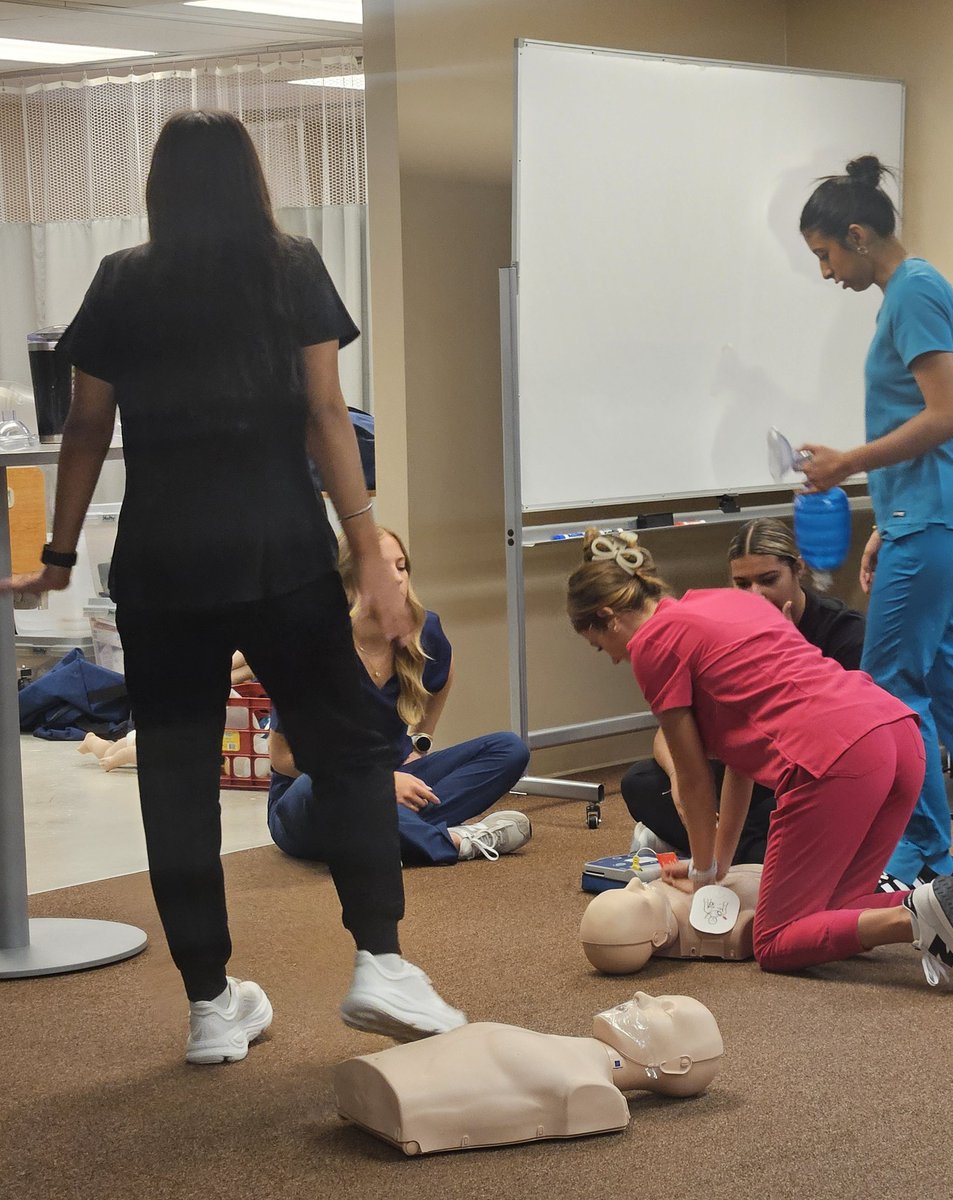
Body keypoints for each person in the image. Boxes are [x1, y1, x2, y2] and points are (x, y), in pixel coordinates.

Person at [0, 110, 465, 1064]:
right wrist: (367, 546)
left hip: (164, 566)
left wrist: (55, 555)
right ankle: (379, 958)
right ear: (252, 179)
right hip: (281, 554)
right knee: (344, 755)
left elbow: (87, 428)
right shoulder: (289, 264)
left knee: (174, 783)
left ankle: (211, 1004)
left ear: (160, 187)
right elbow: (326, 412)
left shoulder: (123, 279)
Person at [568, 530, 953, 994]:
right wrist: (714, 870)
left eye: (597, 644)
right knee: (842, 907)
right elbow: (739, 767)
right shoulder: (727, 601)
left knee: (775, 942)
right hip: (898, 734)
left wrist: (701, 872)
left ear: (608, 618)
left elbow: (692, 777)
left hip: (836, 757)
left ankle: (913, 917)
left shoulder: (652, 645)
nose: (611, 659)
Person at [795, 155, 953, 892]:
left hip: (937, 517)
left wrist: (848, 463)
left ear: (857, 234)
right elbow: (926, 424)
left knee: (888, 691)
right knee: (949, 687)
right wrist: (886, 515)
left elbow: (948, 416)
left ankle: (920, 858)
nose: (824, 272)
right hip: (936, 515)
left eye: (825, 254)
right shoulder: (910, 291)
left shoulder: (912, 292)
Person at [268, 527, 532, 866]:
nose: (397, 579)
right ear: (351, 580)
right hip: (314, 799)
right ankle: (455, 841)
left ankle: (394, 832)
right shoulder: (312, 646)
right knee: (317, 786)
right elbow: (282, 759)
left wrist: (422, 740)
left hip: (395, 784)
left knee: (509, 748)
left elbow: (444, 675)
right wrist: (375, 783)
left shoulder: (425, 630)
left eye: (402, 566)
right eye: (383, 569)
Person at [620, 517, 865, 860]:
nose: (755, 595)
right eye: (742, 583)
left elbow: (834, 745)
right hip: (744, 774)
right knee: (642, 782)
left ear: (799, 570)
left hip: (806, 777)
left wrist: (781, 650)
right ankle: (734, 852)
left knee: (780, 819)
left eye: (768, 580)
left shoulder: (844, 633)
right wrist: (682, 783)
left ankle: (717, 849)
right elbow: (671, 733)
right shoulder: (719, 628)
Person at [333, 992, 724, 1155]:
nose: (641, 996)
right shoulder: (569, 1060)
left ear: (678, 1064)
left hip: (408, 1099)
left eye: (665, 1010)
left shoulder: (590, 1089)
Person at [579, 867, 762, 974]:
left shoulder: (659, 893)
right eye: (644, 900)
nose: (635, 883)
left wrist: (700, 869)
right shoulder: (713, 930)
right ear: (656, 938)